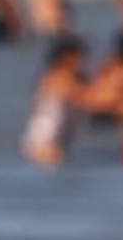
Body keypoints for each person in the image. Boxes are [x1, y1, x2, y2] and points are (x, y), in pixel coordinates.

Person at [22, 34, 88, 167]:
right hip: (44, 145)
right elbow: (90, 99)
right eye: (79, 57)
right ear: (67, 58)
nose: (83, 61)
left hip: (53, 143)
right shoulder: (58, 78)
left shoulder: (75, 78)